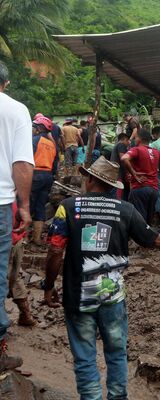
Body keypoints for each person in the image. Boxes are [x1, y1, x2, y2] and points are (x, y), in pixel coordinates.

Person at [41, 156, 160, 399]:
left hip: (78, 297)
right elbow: (155, 239)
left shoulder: (69, 206)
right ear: (111, 185)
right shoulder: (125, 210)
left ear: (90, 178)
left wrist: (49, 285)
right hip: (112, 297)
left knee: (85, 356)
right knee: (116, 353)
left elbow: (55, 250)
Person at [0, 60, 35, 371]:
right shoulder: (14, 110)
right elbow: (23, 164)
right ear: (6, 83)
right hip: (3, 208)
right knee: (6, 276)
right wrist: (24, 205)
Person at [121, 129, 160, 223]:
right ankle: (148, 237)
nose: (134, 140)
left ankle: (139, 237)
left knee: (139, 221)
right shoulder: (156, 152)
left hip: (140, 188)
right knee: (148, 221)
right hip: (154, 189)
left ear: (139, 139)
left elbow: (124, 158)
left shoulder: (137, 149)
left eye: (135, 137)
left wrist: (133, 173)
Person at [8, 202, 36, 327]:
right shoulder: (12, 192)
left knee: (10, 275)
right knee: (14, 275)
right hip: (17, 238)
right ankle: (25, 315)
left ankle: (25, 315)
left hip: (7, 240)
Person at [31, 116, 58, 246]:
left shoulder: (35, 140)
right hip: (48, 176)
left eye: (34, 126)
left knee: (27, 204)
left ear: (39, 128)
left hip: (35, 174)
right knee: (40, 206)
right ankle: (37, 238)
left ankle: (22, 238)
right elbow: (55, 164)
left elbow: (26, 159)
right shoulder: (52, 144)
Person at [110, 133, 131, 201]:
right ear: (124, 139)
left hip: (114, 173)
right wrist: (129, 171)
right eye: (128, 140)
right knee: (117, 197)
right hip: (118, 174)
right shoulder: (121, 145)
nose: (129, 142)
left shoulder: (116, 145)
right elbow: (123, 159)